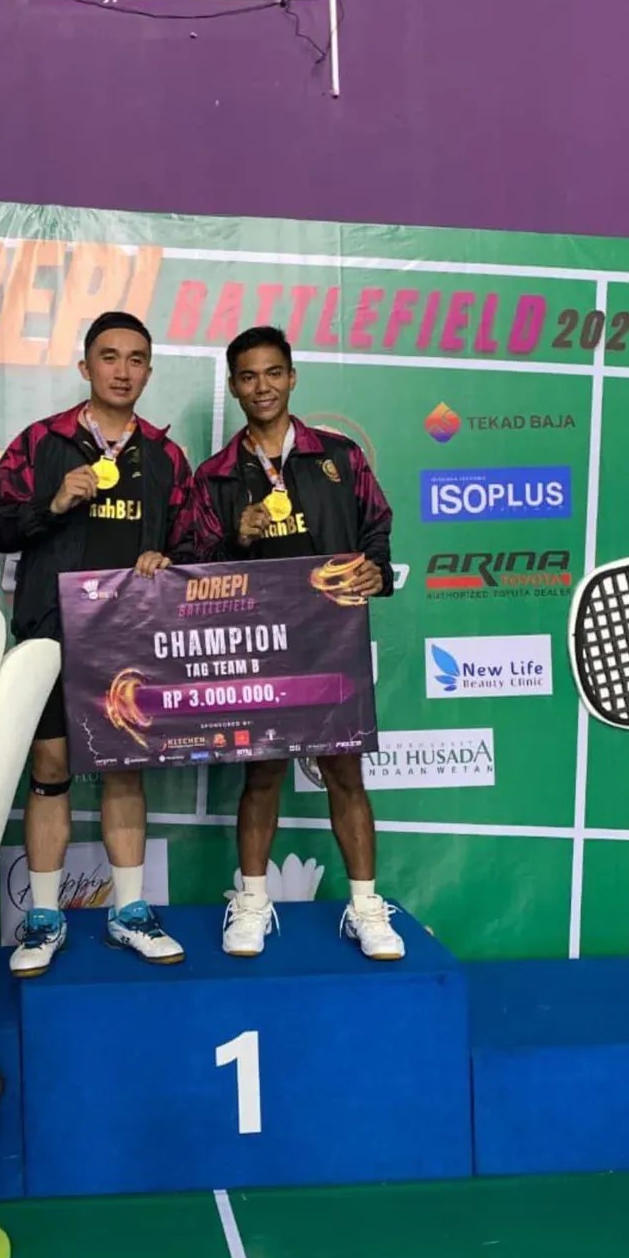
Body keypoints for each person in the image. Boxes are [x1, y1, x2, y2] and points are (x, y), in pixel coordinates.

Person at [0, 311, 195, 977]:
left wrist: (169, 559)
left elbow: (195, 541)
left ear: (149, 371)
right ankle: (44, 918)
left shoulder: (165, 457)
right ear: (86, 366)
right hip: (52, 627)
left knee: (124, 766)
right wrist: (51, 503)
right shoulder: (43, 442)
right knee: (49, 766)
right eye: (109, 357)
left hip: (131, 634)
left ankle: (130, 913)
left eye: (136, 359)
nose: (122, 371)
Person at [192, 324, 404, 962]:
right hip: (258, 642)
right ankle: (253, 903)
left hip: (330, 638)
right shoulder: (217, 477)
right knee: (262, 772)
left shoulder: (339, 456)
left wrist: (376, 569)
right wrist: (238, 538)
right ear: (234, 387)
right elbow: (196, 571)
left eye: (273, 372)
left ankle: (366, 907)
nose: (262, 386)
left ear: (292, 376)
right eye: (248, 376)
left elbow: (376, 526)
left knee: (345, 772)